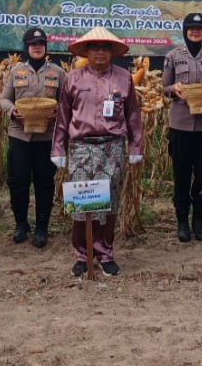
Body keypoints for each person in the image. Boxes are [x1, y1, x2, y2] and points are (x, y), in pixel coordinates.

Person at [51, 27, 143, 277]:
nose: (100, 52)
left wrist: (136, 146)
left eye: (105, 48)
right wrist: (58, 147)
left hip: (112, 146)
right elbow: (63, 117)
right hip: (81, 147)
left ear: (112, 52)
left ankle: (105, 252)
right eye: (95, 47)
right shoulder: (74, 79)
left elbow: (133, 115)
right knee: (81, 201)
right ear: (87, 51)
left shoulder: (124, 78)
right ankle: (82, 254)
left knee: (109, 203)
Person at [0, 27, 65, 247]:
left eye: (41, 43)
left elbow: (65, 101)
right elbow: (4, 99)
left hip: (46, 137)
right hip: (19, 135)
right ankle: (20, 224)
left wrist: (58, 112)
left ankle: (42, 227)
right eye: (33, 43)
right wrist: (12, 111)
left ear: (45, 47)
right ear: (26, 47)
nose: (37, 47)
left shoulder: (57, 72)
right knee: (18, 180)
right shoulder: (16, 71)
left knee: (44, 182)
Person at [162, 13, 202, 242]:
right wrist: (174, 89)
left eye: (200, 28)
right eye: (191, 28)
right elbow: (165, 87)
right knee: (181, 173)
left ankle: (198, 220)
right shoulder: (172, 56)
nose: (196, 31)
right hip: (181, 125)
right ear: (185, 30)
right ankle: (182, 221)